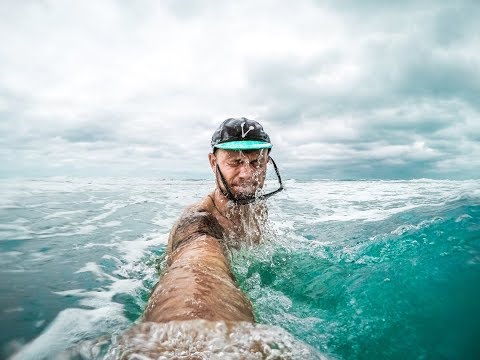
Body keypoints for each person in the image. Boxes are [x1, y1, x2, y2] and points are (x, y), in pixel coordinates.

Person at [142, 117, 283, 324]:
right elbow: (195, 271)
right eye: (235, 162)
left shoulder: (255, 206)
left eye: (256, 162)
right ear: (213, 162)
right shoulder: (198, 222)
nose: (247, 174)